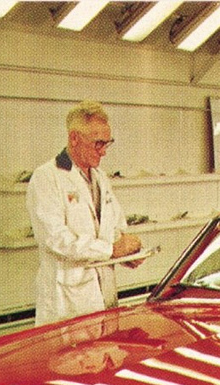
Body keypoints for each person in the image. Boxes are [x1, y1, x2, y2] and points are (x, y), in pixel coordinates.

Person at [27, 101, 143, 325]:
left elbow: (115, 226)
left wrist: (128, 253)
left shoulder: (100, 178)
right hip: (68, 303)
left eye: (107, 143)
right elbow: (56, 239)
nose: (104, 151)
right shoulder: (47, 178)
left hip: (104, 295)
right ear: (74, 138)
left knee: (107, 356)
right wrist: (111, 250)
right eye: (98, 143)